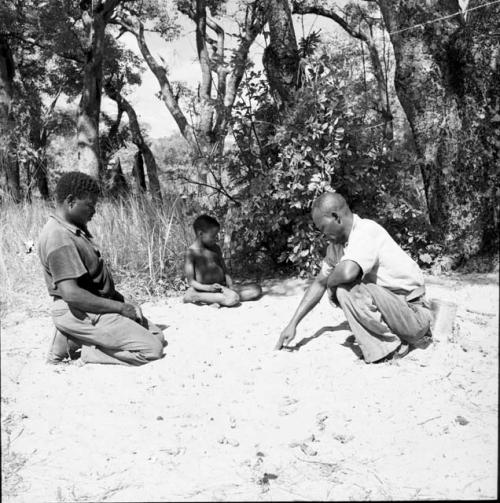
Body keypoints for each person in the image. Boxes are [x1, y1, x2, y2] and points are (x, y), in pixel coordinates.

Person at [275, 192, 433, 363]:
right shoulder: (336, 247)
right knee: (342, 286)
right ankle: (385, 340)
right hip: (395, 313)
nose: (323, 234)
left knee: (345, 289)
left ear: (336, 217)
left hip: (414, 316)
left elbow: (347, 272)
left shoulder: (365, 231)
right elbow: (319, 283)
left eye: (323, 228)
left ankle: (390, 347)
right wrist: (293, 324)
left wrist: (331, 287)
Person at [38, 171, 165, 366]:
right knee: (152, 349)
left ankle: (73, 338)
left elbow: (91, 282)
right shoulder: (59, 237)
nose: (94, 211)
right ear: (71, 201)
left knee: (157, 335)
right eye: (90, 205)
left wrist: (122, 301)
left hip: (92, 307)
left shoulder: (72, 229)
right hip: (79, 311)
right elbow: (71, 294)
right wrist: (120, 308)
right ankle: (89, 351)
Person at [183, 214, 262, 307]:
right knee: (233, 298)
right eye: (213, 236)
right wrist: (208, 288)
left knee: (256, 289)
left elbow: (224, 269)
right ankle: (194, 295)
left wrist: (231, 284)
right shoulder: (191, 253)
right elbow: (191, 282)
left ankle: (215, 299)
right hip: (205, 289)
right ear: (201, 234)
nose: (216, 238)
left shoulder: (215, 248)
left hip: (221, 287)